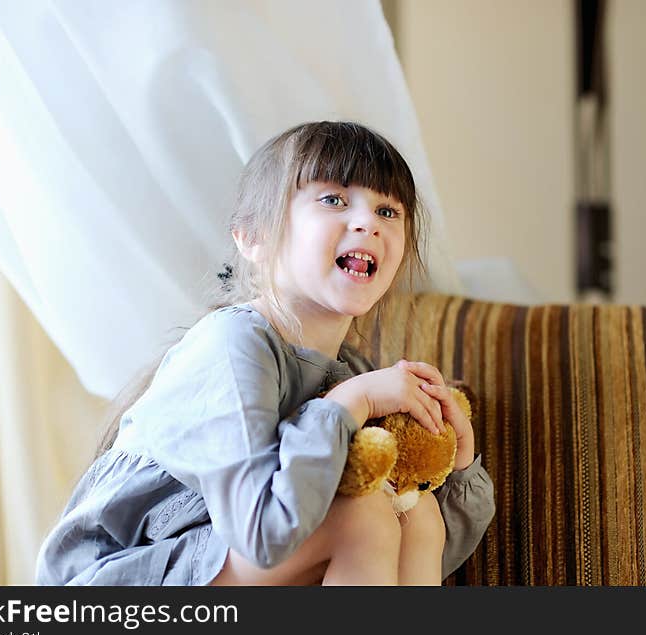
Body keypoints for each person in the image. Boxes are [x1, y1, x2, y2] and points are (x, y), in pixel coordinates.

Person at [36, 121, 495, 586]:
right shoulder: (235, 346)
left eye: (388, 211)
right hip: (116, 581)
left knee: (414, 517)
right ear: (253, 238)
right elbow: (262, 534)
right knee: (364, 517)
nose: (367, 223)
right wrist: (346, 405)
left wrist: (460, 463)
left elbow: (416, 557)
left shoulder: (350, 371)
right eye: (334, 199)